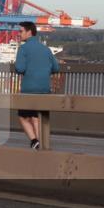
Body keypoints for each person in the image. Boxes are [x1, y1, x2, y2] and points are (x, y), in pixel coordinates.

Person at [13, 21, 60, 151]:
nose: (19, 34)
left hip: (29, 89)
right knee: (36, 117)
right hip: (45, 89)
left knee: (23, 117)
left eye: (21, 31)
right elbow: (56, 68)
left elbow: (19, 68)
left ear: (29, 32)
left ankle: (34, 141)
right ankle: (40, 143)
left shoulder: (23, 48)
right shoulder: (46, 49)